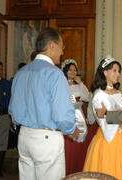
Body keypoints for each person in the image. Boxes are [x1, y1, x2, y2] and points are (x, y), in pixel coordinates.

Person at [9, 27, 80, 180]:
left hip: (24, 136)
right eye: (62, 47)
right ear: (52, 45)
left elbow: (13, 111)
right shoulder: (54, 73)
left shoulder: (21, 73)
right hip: (46, 139)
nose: (62, 52)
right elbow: (61, 115)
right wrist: (71, 130)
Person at [83, 56, 122, 180]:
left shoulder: (118, 93)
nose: (118, 74)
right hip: (107, 141)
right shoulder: (98, 95)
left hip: (121, 139)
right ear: (105, 72)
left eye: (119, 71)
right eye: (115, 71)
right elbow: (104, 121)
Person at [61, 59, 91, 175]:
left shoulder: (79, 86)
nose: (73, 72)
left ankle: (77, 171)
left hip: (80, 117)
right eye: (70, 70)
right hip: (67, 117)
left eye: (74, 70)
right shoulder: (61, 84)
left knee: (79, 146)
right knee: (68, 147)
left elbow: (87, 97)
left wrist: (81, 83)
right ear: (65, 71)